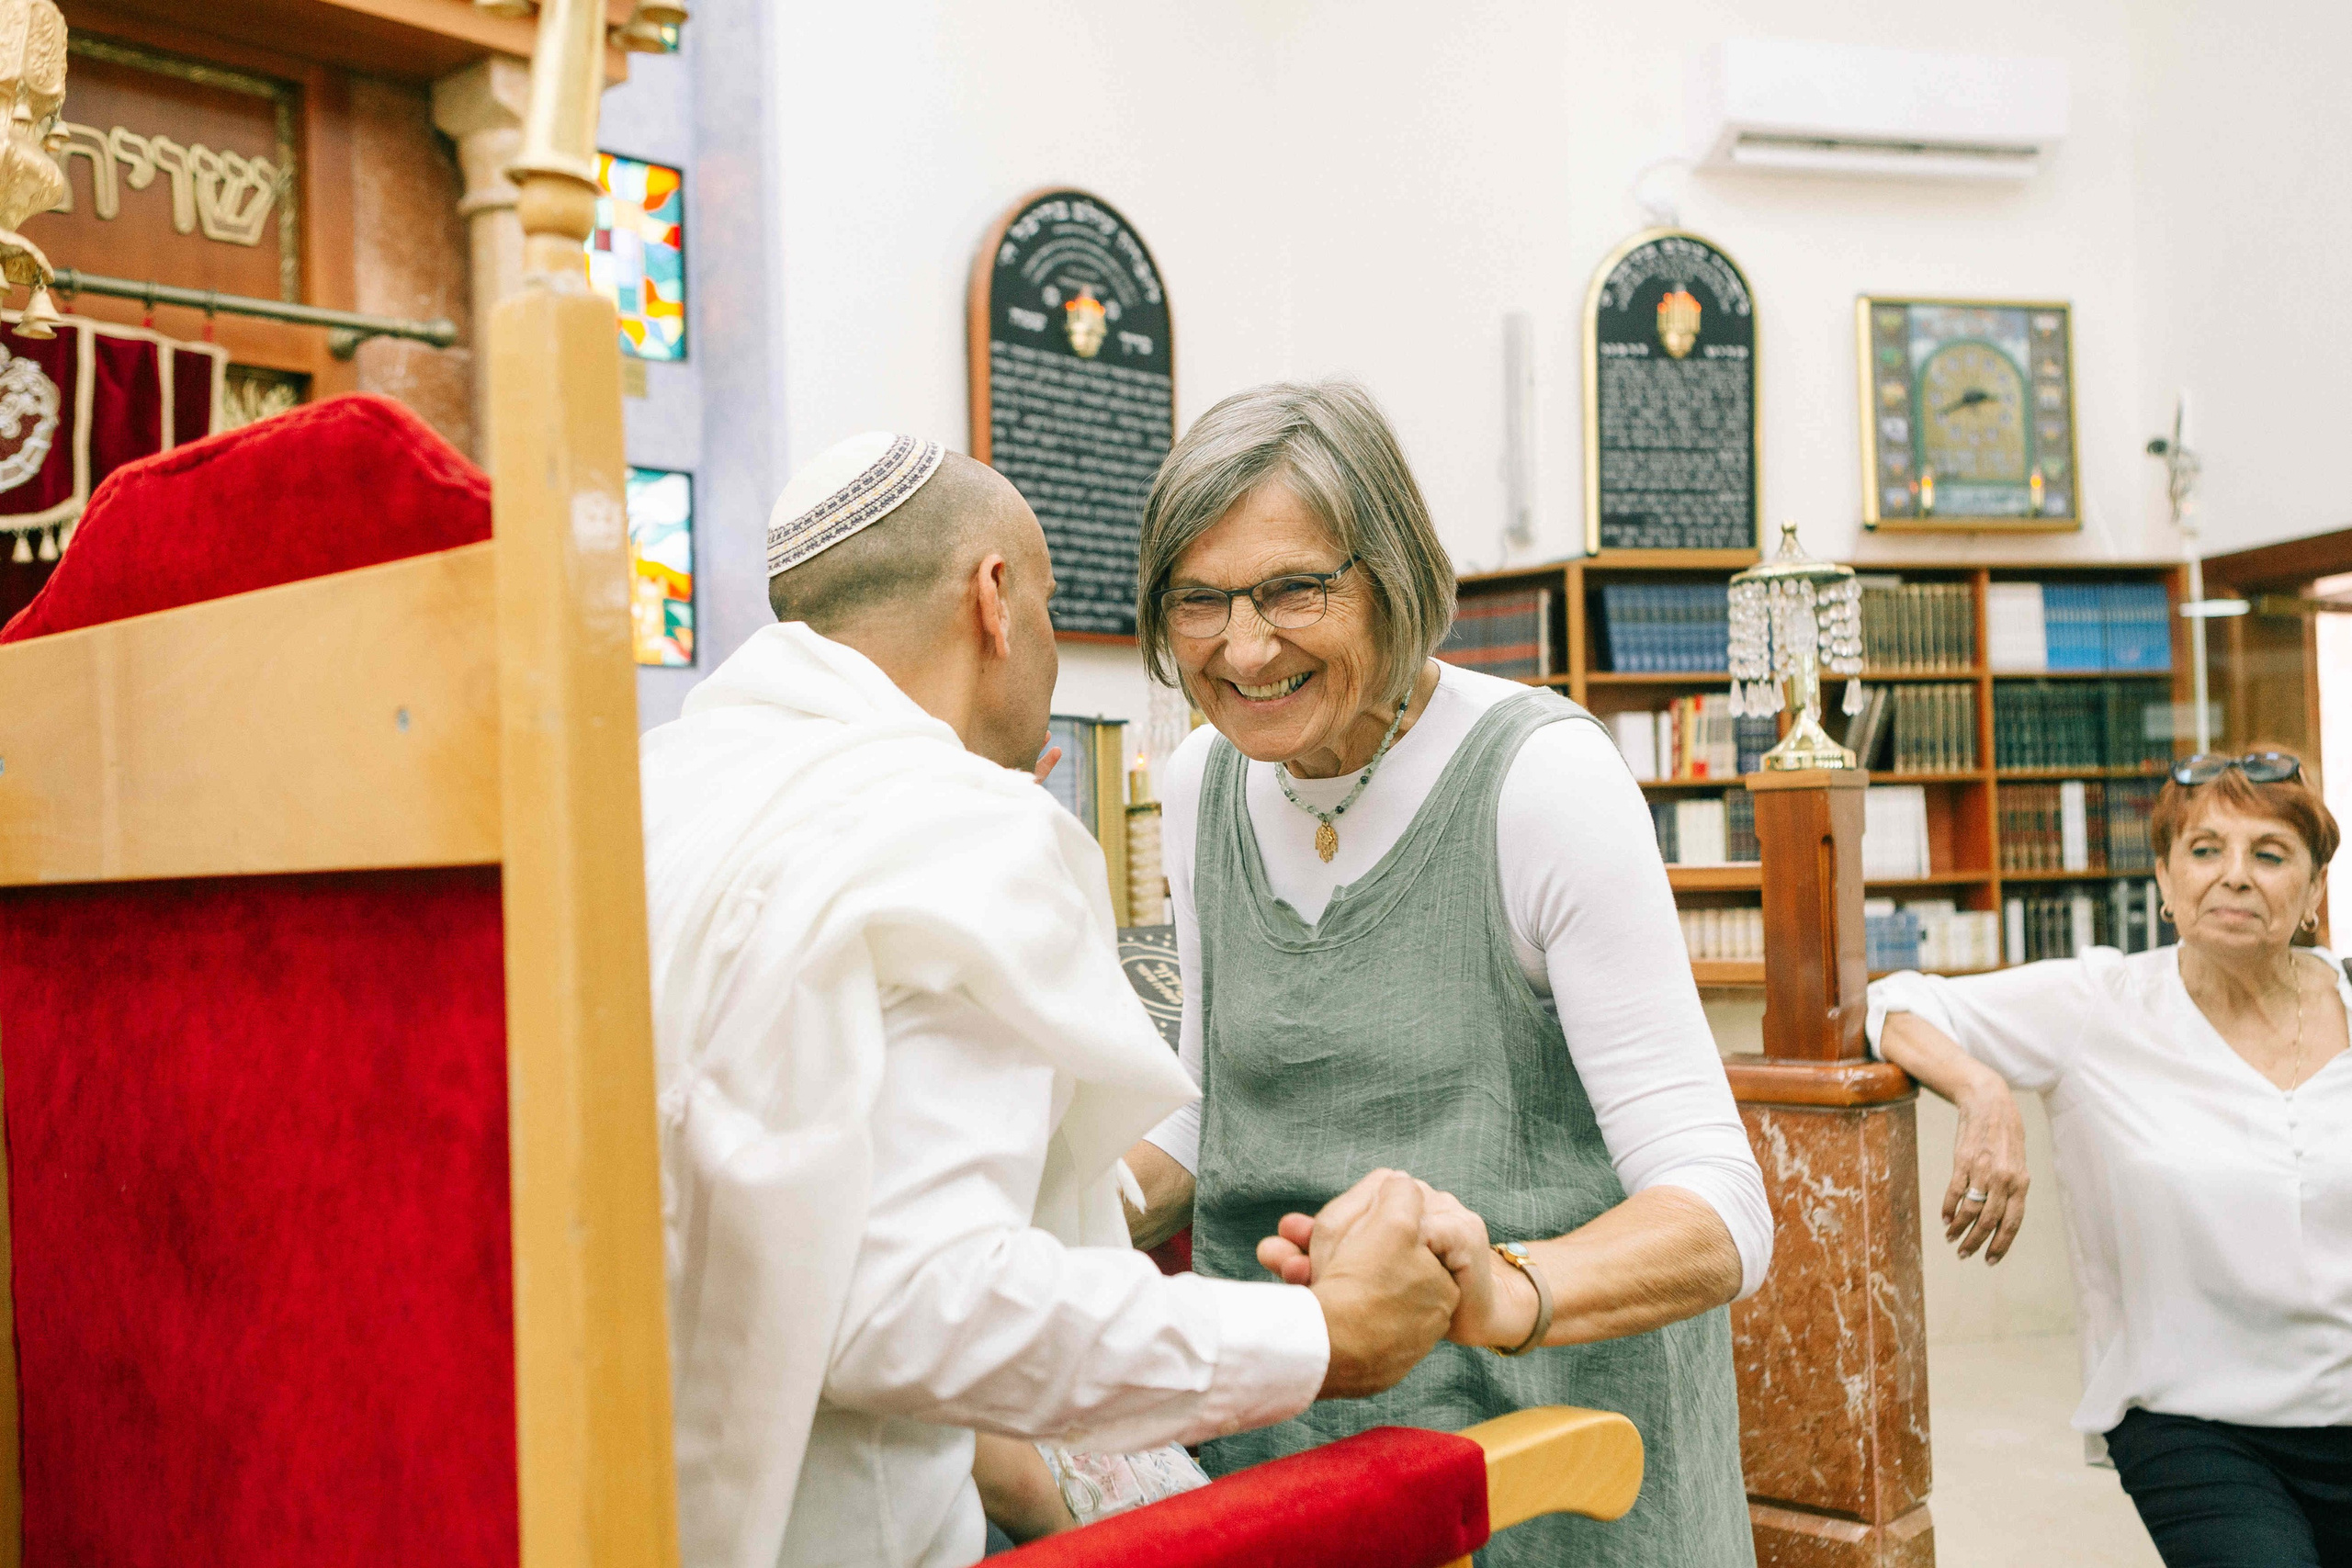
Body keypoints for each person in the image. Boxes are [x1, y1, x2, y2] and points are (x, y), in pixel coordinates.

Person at [639, 431, 1467, 1568]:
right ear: (993, 600)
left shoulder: (647, 788)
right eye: (1048, 600)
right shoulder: (949, 819)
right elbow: (921, 1311)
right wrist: (1321, 1331)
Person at [1120, 381, 1773, 1565]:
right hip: (1288, 1462)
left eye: (1293, 589)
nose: (1245, 646)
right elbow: (1208, 1101)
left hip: (1538, 1467)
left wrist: (1502, 1287)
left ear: (1398, 574)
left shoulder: (1543, 782)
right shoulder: (1199, 781)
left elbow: (1720, 1208)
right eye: (1199, 602)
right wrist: (1061, 1208)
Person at [1869, 751, 2352, 1568]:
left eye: (2270, 854)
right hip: (2193, 1421)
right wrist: (1985, 1090)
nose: (2235, 876)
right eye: (2205, 850)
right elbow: (1896, 1002)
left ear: (2312, 895)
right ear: (2164, 879)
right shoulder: (2101, 1004)